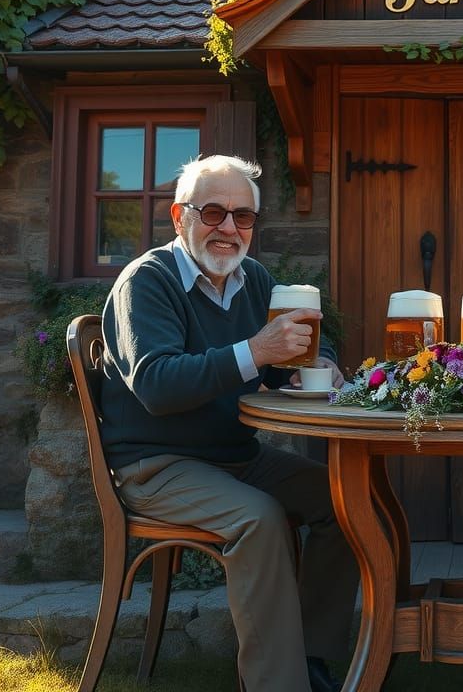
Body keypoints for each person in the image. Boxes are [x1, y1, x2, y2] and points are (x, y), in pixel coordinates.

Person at [100, 154, 358, 692]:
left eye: (243, 217)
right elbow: (157, 384)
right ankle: (276, 685)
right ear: (178, 216)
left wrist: (321, 360)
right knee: (259, 518)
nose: (228, 229)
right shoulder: (145, 282)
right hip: (156, 464)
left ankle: (308, 657)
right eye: (213, 212)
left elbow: (303, 334)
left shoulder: (253, 278)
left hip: (234, 458)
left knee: (347, 501)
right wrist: (256, 351)